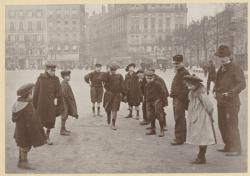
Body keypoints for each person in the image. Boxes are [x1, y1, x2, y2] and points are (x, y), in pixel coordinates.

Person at [214, 45, 246, 156]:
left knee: (231, 125)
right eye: (220, 56)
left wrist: (231, 93)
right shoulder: (221, 68)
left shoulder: (235, 67)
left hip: (231, 103)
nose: (221, 58)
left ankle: (236, 148)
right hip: (221, 102)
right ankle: (228, 145)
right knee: (222, 125)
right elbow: (217, 82)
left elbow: (242, 84)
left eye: (223, 56)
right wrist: (215, 90)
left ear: (229, 56)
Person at [12, 83, 47, 169]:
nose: (32, 95)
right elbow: (32, 120)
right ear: (26, 95)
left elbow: (14, 118)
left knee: (22, 145)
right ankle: (24, 163)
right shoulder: (26, 106)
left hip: (20, 131)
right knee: (26, 146)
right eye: (31, 94)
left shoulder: (19, 104)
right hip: (27, 131)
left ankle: (20, 162)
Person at [184, 74, 216, 164]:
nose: (188, 86)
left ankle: (201, 157)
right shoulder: (191, 93)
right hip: (196, 118)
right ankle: (201, 156)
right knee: (199, 137)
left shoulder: (201, 94)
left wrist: (209, 116)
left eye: (190, 84)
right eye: (187, 84)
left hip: (202, 118)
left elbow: (210, 106)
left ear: (195, 84)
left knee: (203, 137)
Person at [33, 63, 61, 145]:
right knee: (40, 121)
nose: (53, 72)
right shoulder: (41, 79)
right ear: (47, 70)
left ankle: (47, 136)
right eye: (51, 71)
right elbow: (36, 92)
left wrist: (56, 97)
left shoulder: (56, 79)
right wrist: (34, 104)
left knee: (51, 121)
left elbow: (59, 90)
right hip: (41, 104)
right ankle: (42, 137)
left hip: (51, 105)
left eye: (54, 71)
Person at [170, 55, 190, 145]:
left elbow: (186, 87)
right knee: (178, 117)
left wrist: (180, 97)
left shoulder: (184, 72)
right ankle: (182, 137)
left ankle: (179, 138)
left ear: (182, 62)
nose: (175, 65)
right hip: (176, 98)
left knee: (179, 118)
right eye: (174, 63)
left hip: (179, 99)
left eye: (177, 63)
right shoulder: (179, 71)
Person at [144, 68, 169, 134]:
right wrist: (147, 102)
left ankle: (162, 130)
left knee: (159, 115)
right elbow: (146, 94)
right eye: (147, 78)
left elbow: (163, 93)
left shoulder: (158, 84)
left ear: (153, 78)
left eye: (150, 78)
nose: (149, 80)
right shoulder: (146, 85)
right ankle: (153, 129)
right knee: (150, 115)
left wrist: (159, 100)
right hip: (149, 102)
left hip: (157, 101)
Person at [103, 64, 125, 130]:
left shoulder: (120, 76)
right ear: (110, 70)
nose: (113, 71)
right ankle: (108, 116)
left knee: (115, 109)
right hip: (108, 94)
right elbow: (102, 79)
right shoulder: (107, 76)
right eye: (112, 70)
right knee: (107, 108)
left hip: (116, 95)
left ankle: (113, 123)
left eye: (114, 70)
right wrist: (108, 73)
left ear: (116, 70)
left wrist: (123, 94)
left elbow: (123, 85)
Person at [60, 70, 78, 136]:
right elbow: (64, 93)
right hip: (64, 101)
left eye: (69, 76)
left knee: (66, 114)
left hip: (65, 101)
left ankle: (63, 128)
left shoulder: (65, 82)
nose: (69, 77)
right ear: (64, 77)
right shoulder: (64, 83)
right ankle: (62, 130)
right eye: (68, 76)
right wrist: (68, 99)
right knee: (64, 115)